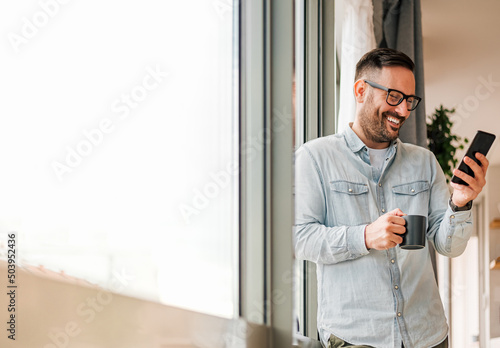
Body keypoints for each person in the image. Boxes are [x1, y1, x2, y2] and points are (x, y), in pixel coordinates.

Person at [294, 48, 488, 348]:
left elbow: (449, 246)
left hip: (428, 335)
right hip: (357, 338)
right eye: (394, 97)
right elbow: (301, 238)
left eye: (409, 100)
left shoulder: (424, 162)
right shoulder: (315, 158)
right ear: (361, 91)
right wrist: (366, 236)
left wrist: (460, 202)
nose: (403, 111)